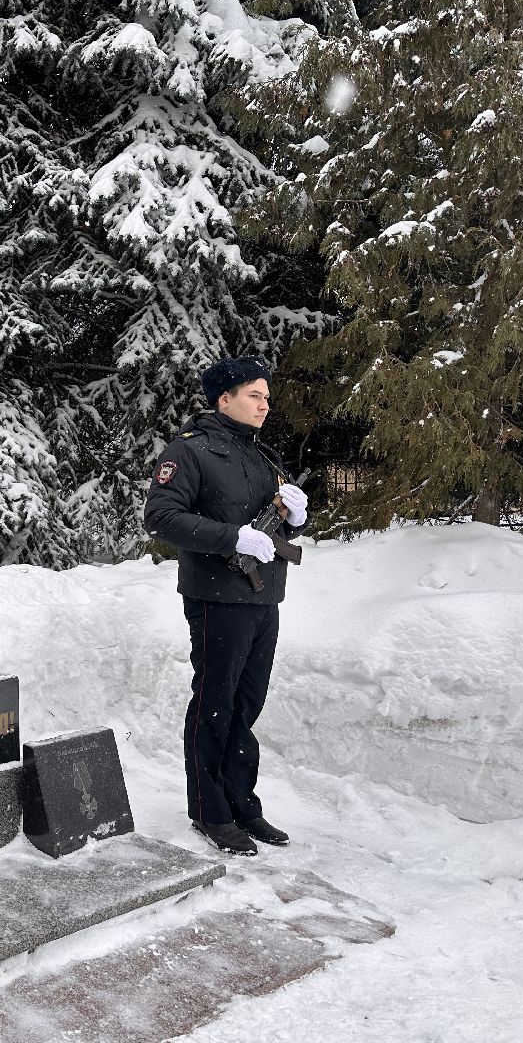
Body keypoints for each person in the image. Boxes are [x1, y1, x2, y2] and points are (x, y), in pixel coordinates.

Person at [142, 356, 309, 857]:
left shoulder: (262, 458)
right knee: (215, 704)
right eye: (254, 395)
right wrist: (231, 537)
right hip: (217, 598)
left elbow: (270, 530)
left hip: (263, 598)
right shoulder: (189, 452)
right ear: (224, 399)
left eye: (266, 396)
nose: (265, 405)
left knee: (247, 705)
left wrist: (295, 519)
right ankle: (209, 810)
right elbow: (161, 518)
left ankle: (242, 802)